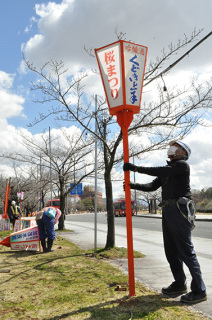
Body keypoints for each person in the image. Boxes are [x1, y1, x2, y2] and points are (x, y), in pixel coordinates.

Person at [123, 140, 207, 304]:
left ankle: (199, 290)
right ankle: (179, 284)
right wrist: (133, 185)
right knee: (171, 251)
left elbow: (158, 170)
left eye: (177, 146)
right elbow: (152, 186)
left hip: (179, 209)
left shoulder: (182, 166)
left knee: (186, 251)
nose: (172, 148)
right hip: (168, 210)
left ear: (183, 153)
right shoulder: (167, 170)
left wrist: (135, 168)